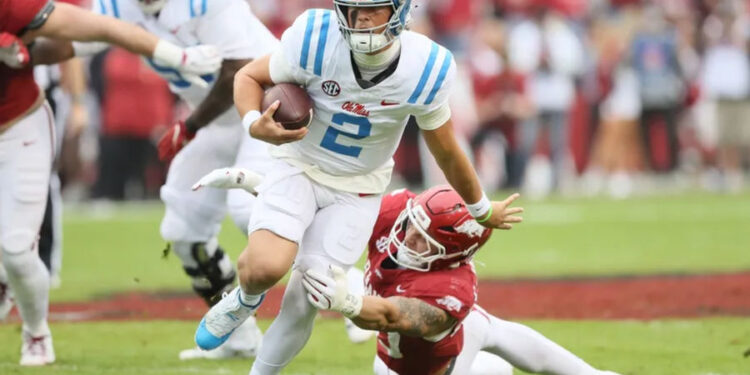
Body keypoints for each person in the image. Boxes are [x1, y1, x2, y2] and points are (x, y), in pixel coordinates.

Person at [193, 2, 524, 374]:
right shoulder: (315, 38)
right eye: (353, 9)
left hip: (357, 189)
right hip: (299, 165)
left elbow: (446, 149)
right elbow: (248, 77)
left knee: (307, 295)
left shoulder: (426, 66)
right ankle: (244, 300)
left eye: (373, 9)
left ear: (399, 11)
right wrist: (253, 122)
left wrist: (481, 209)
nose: (361, 18)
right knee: (263, 268)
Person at [193, 172, 618, 375]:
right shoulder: (400, 211)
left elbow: (391, 317)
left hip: (428, 366)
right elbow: (336, 207)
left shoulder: (451, 288)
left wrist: (347, 301)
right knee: (491, 330)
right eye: (412, 225)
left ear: (450, 253)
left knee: (484, 344)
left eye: (422, 240)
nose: (407, 237)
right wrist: (265, 186)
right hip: (396, 352)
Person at [0, 0, 220, 366]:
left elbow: (101, 28)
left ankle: (36, 331)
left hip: (18, 129)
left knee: (16, 248)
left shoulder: (11, 7)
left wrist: (175, 57)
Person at [60, 0, 279, 360]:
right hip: (218, 123)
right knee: (183, 229)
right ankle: (239, 337)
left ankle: (338, 274)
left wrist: (188, 126)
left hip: (263, 111)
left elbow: (239, 70)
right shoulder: (118, 7)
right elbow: (68, 35)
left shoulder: (206, 4)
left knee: (250, 214)